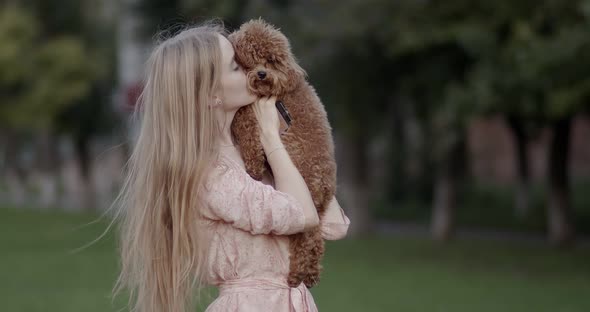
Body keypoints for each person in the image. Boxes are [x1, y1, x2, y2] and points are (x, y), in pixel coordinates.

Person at [111, 21, 350, 312]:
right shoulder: (211, 175)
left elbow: (333, 225)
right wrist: (271, 138)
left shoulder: (248, 154)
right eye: (235, 66)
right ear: (211, 95)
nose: (250, 69)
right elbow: (302, 215)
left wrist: (291, 145)